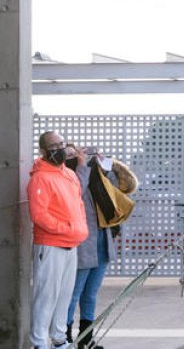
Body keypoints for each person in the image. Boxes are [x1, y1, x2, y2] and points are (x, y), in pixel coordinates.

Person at [64, 144, 138, 349]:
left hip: (102, 243)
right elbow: (76, 192)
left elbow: (128, 185)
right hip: (82, 246)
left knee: (91, 294)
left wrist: (112, 165)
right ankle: (66, 340)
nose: (77, 155)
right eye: (70, 153)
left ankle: (86, 339)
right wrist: (81, 166)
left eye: (78, 152)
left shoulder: (99, 177)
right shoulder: (71, 178)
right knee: (73, 294)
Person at [27, 131, 88, 349]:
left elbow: (78, 206)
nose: (61, 148)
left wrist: (79, 229)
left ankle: (59, 339)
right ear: (43, 151)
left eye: (62, 143)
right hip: (50, 245)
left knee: (64, 295)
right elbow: (39, 215)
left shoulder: (69, 175)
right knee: (46, 296)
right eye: (54, 145)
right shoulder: (40, 178)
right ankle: (39, 343)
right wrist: (68, 229)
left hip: (71, 244)